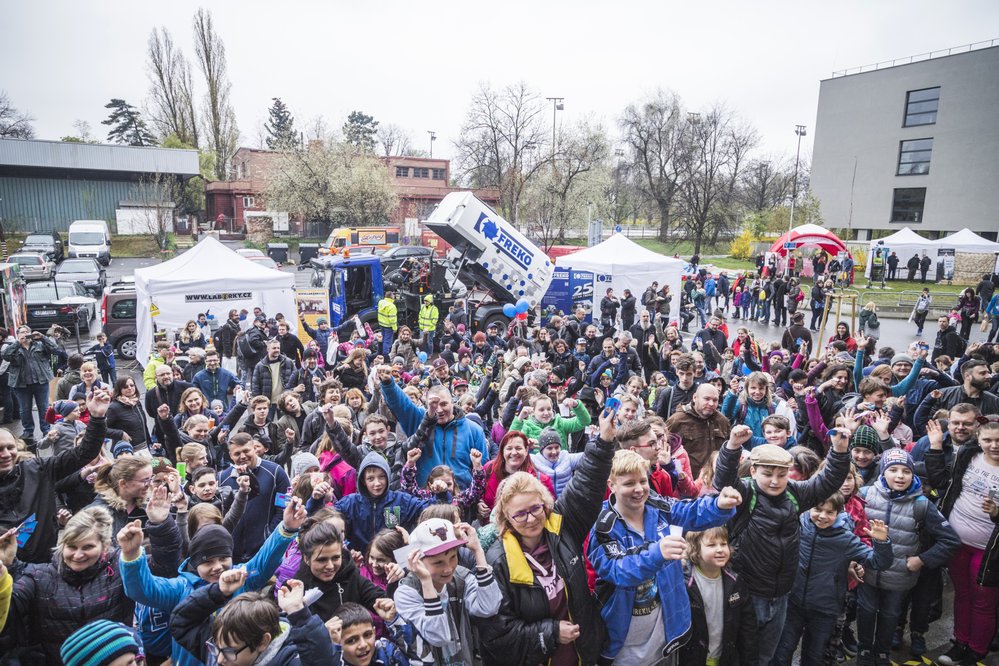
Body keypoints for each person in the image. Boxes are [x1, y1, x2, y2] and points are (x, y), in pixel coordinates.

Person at [476, 408, 617, 666]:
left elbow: (585, 485)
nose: (530, 519)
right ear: (506, 519)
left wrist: (604, 441)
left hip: (582, 654)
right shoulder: (497, 560)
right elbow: (497, 634)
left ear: (546, 505)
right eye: (520, 514)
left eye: (535, 509)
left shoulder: (561, 527)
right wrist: (549, 633)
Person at [712, 424, 853, 666]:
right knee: (743, 654)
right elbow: (723, 479)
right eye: (768, 474)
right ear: (753, 471)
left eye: (782, 475)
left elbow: (827, 482)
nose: (775, 482)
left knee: (767, 655)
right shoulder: (745, 493)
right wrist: (733, 446)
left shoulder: (795, 493)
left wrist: (839, 452)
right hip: (749, 593)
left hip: (782, 594)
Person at [586, 449, 741, 664]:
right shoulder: (603, 526)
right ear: (612, 485)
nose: (639, 489)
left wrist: (718, 504)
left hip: (665, 633)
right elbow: (616, 570)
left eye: (643, 481)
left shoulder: (657, 505)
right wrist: (657, 553)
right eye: (629, 483)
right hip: (623, 640)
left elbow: (689, 511)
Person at [856, 447, 960, 664]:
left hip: (900, 576)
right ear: (882, 472)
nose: (900, 476)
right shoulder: (865, 495)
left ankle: (883, 652)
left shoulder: (921, 504)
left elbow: (950, 540)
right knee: (865, 611)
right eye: (893, 469)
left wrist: (922, 559)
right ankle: (864, 650)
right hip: (867, 571)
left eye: (906, 471)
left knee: (890, 615)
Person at [771, 494, 892, 666]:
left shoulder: (845, 538)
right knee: (782, 653)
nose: (822, 516)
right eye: (818, 510)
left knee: (814, 657)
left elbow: (879, 562)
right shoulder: (799, 527)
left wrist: (882, 542)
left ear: (839, 513)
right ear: (809, 509)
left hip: (824, 610)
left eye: (830, 512)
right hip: (793, 604)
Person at [5, 506, 135, 663]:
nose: (78, 555)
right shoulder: (39, 577)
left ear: (104, 546)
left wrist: (159, 528)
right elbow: (9, 607)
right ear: (62, 545)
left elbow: (161, 572)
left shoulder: (119, 568)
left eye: (88, 547)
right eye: (72, 547)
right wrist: (6, 567)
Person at [0, 387, 110, 563]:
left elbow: (83, 453)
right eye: (0, 450)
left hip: (46, 563)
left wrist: (97, 418)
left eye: (10, 447)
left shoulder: (38, 469)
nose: (5, 454)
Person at [925, 420, 999, 665]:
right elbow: (947, 485)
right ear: (978, 440)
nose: (994, 445)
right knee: (962, 594)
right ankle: (960, 641)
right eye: (988, 440)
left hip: (989, 549)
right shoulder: (968, 456)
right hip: (957, 541)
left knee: (983, 601)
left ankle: (976, 650)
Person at [395, 518, 501, 665]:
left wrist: (478, 551)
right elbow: (439, 636)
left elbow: (489, 606)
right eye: (438, 562)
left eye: (453, 557)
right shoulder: (406, 592)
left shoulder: (461, 577)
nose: (448, 568)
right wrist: (426, 582)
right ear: (417, 561)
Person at [1, 325, 58, 445]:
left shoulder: (40, 345)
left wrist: (42, 337)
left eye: (27, 332)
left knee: (44, 408)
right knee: (24, 409)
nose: (25, 334)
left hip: (40, 381)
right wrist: (17, 343)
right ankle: (28, 431)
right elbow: (5, 355)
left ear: (31, 334)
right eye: (22, 332)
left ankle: (46, 430)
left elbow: (54, 349)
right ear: (18, 335)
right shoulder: (14, 348)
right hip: (21, 384)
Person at [664, 383, 730, 478]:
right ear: (695, 398)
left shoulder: (722, 421)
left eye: (715, 400)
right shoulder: (677, 421)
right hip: (688, 482)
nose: (711, 404)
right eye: (707, 399)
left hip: (717, 481)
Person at [377, 290, 398, 357]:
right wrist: (395, 328)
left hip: (382, 324)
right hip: (388, 326)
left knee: (383, 339)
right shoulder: (392, 306)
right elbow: (392, 319)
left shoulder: (381, 302)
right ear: (391, 296)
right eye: (393, 295)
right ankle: (386, 356)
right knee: (387, 341)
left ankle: (381, 353)